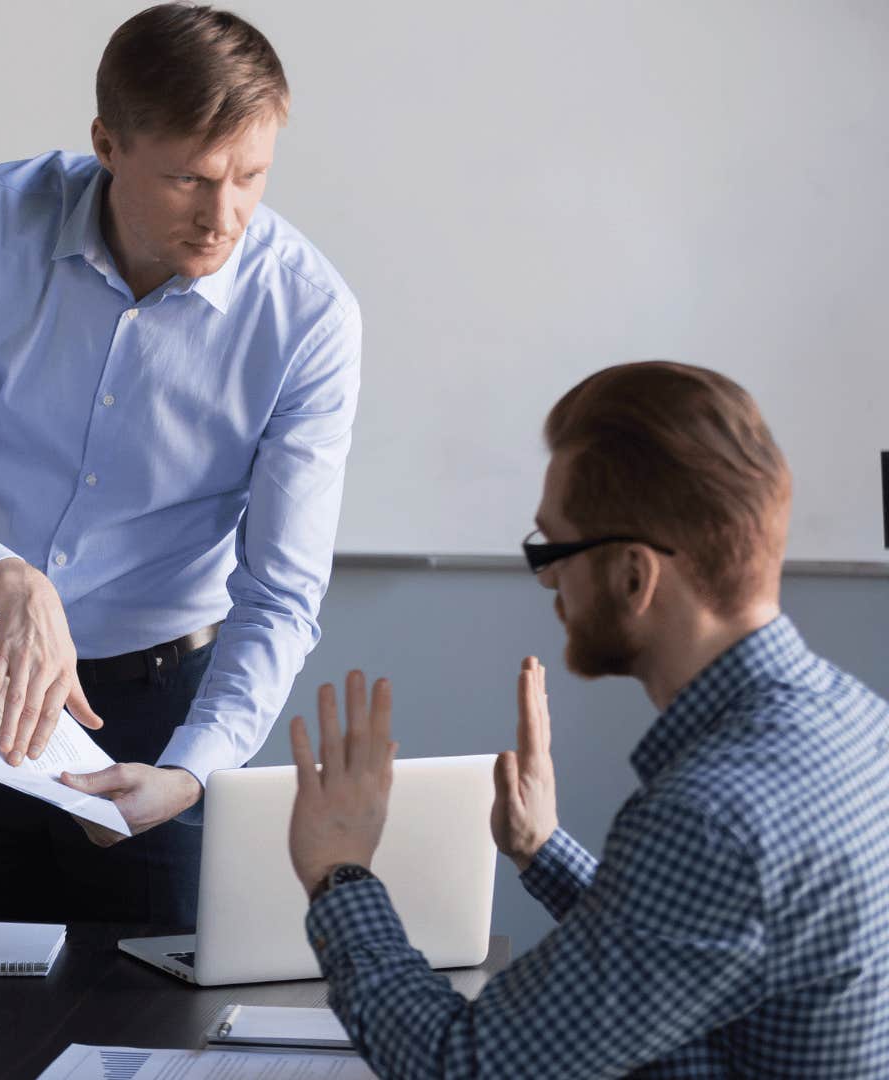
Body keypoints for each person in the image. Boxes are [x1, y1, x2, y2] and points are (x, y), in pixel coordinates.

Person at [0, 2, 360, 925]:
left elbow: (282, 593)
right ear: (107, 144)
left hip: (165, 714)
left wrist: (193, 771)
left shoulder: (309, 316)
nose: (224, 216)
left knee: (153, 1034)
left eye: (251, 177)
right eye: (191, 179)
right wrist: (6, 579)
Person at [286, 361, 889, 1075]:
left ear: (635, 577)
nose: (547, 580)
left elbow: (461, 1066)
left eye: (553, 550)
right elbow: (689, 957)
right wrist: (542, 851)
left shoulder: (711, 817)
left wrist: (338, 872)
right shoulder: (857, 720)